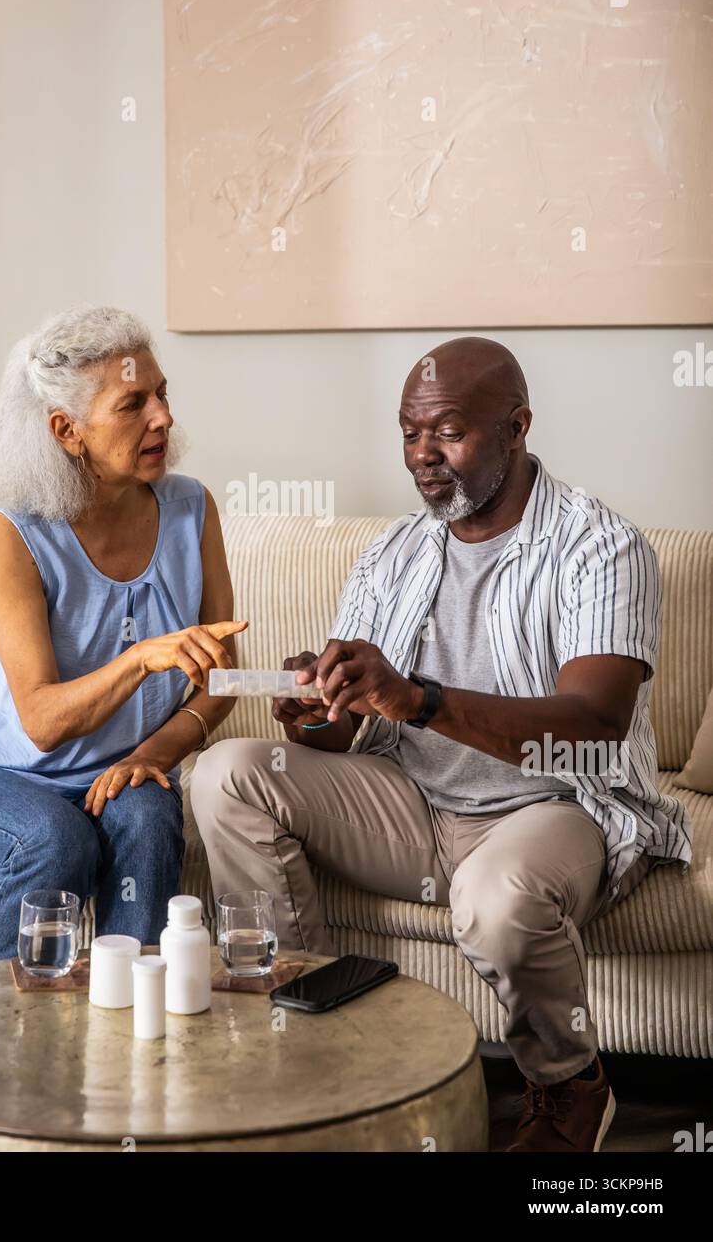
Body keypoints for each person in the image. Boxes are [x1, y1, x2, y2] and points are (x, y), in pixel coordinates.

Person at [190, 336, 693, 1153]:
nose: (423, 457)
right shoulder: (394, 552)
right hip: (413, 803)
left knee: (497, 899)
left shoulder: (602, 546)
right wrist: (319, 708)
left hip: (553, 805)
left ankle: (570, 1089)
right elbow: (354, 721)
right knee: (229, 772)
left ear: (517, 425)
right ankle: (312, 1045)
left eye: (448, 432)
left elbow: (594, 727)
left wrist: (417, 698)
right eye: (408, 433)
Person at [0, 305, 246, 965]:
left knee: (147, 813)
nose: (163, 418)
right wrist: (143, 658)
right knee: (59, 839)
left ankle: (135, 1041)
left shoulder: (191, 510)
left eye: (163, 393)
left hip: (111, 770)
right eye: (133, 404)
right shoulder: (13, 536)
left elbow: (220, 677)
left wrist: (152, 754)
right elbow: (41, 720)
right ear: (67, 430)